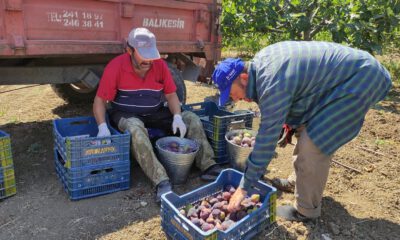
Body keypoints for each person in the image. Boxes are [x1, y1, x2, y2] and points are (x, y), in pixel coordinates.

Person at [212, 41, 392, 221]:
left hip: (362, 79)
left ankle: (305, 211)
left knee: (313, 143)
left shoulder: (271, 83)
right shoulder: (260, 65)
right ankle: (298, 182)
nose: (233, 98)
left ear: (244, 78)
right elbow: (296, 94)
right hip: (341, 79)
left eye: (231, 93)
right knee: (304, 127)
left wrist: (244, 187)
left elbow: (266, 140)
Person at [93, 27, 222, 203]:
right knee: (135, 129)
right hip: (126, 113)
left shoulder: (159, 65)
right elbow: (100, 101)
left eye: (151, 54)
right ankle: (161, 180)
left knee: (190, 118)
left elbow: (170, 95)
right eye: (142, 54)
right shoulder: (116, 66)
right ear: (129, 50)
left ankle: (208, 164)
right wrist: (102, 127)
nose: (148, 60)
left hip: (154, 111)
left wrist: (177, 115)